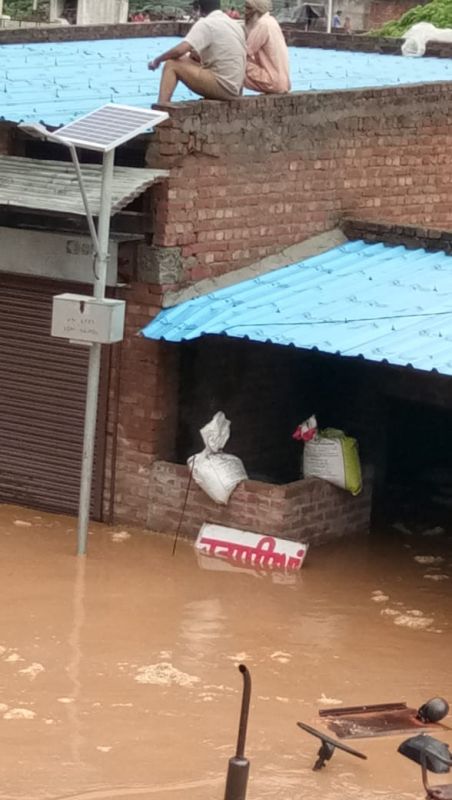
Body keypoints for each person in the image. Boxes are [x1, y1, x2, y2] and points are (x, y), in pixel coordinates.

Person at [148, 0, 246, 104]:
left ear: (199, 8)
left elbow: (179, 50)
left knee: (171, 64)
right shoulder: (233, 24)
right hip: (235, 87)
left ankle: (162, 107)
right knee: (184, 58)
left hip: (224, 87)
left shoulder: (206, 23)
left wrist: (157, 60)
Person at [244, 0, 290, 94]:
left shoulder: (262, 24)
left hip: (273, 81)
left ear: (256, 10)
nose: (244, 12)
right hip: (283, 82)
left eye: (247, 8)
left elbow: (245, 52)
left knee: (233, 66)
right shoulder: (272, 21)